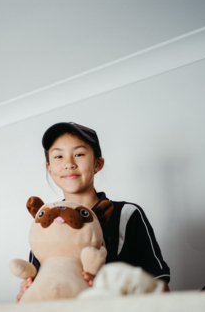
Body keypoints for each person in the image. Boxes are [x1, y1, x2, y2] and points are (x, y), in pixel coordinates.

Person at [17, 122, 170, 301]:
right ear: (49, 168)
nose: (69, 164)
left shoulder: (127, 214)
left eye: (79, 154)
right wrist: (26, 293)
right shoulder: (44, 222)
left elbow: (161, 289)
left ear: (98, 163)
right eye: (58, 156)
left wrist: (108, 287)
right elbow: (37, 291)